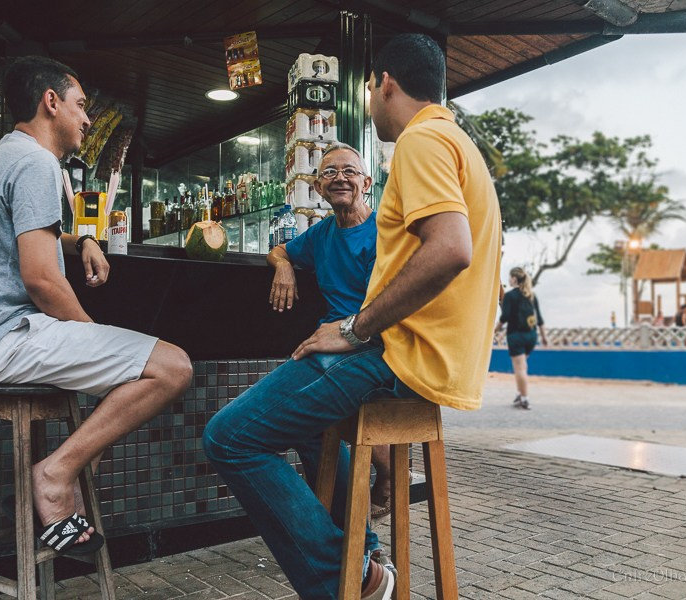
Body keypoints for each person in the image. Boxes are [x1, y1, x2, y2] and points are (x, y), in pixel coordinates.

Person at [203, 33, 502, 599]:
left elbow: (451, 248)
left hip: (397, 352)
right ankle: (362, 554)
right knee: (308, 430)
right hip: (434, 358)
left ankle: (354, 581)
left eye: (367, 88)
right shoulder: (455, 141)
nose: (368, 99)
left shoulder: (421, 142)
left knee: (230, 437)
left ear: (384, 82)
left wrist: (352, 329)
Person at [0, 56, 192, 554]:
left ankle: (69, 475)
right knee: (171, 367)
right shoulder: (35, 163)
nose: (87, 119)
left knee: (124, 372)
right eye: (80, 105)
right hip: (4, 338)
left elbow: (29, 237)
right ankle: (55, 476)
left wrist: (80, 240)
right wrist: (91, 334)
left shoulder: (6, 157)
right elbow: (41, 280)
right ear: (50, 102)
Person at [267, 143, 393, 529]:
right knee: (305, 418)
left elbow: (390, 308)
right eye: (329, 172)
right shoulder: (320, 234)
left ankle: (368, 496)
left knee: (302, 408)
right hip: (332, 347)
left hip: (373, 344)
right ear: (319, 188)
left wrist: (348, 334)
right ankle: (343, 518)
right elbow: (279, 250)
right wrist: (284, 267)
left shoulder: (383, 233)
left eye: (349, 171)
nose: (340, 178)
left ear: (367, 183)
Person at [494, 267, 547, 410]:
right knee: (522, 366)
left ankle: (524, 399)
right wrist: (544, 337)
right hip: (531, 336)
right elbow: (540, 319)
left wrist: (495, 330)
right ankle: (519, 393)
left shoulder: (510, 296)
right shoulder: (531, 295)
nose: (509, 280)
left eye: (510, 277)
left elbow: (504, 317)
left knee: (520, 368)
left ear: (515, 279)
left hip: (516, 335)